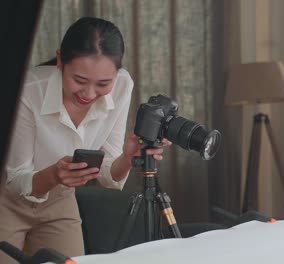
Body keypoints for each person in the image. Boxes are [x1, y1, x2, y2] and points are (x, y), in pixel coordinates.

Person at [0, 17, 170, 263]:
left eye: (103, 83)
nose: (89, 94)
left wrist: (128, 157)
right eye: (79, 81)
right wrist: (53, 176)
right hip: (7, 199)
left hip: (60, 199)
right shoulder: (28, 90)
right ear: (60, 60)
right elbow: (16, 180)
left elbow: (109, 175)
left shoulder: (122, 86)